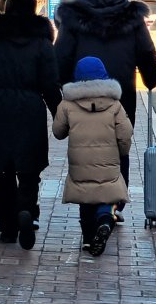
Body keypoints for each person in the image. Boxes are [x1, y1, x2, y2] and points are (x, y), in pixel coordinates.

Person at [54, 0, 156, 221]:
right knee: (119, 144)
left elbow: (62, 54)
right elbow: (146, 50)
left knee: (86, 146)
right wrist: (150, 79)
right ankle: (111, 205)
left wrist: (65, 84)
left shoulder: (73, 14)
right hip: (121, 94)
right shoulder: (131, 13)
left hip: (82, 93)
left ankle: (90, 208)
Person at [0, 0, 62, 250]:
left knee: (2, 171)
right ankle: (27, 210)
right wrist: (59, 115)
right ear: (32, 9)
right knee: (29, 169)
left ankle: (8, 228)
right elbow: (51, 84)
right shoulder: (42, 42)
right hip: (30, 109)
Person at [52, 56, 132, 257]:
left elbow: (58, 132)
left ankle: (88, 240)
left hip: (80, 164)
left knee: (85, 199)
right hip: (109, 162)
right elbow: (125, 133)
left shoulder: (67, 104)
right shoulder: (114, 104)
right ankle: (105, 220)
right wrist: (122, 152)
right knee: (106, 194)